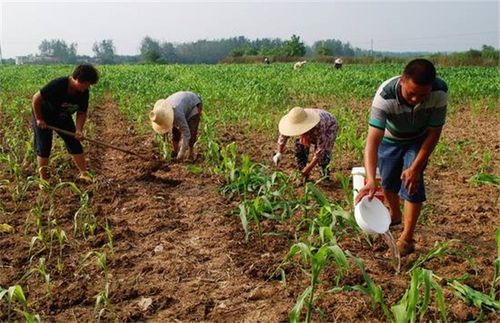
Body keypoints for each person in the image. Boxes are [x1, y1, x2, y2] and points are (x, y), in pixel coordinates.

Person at [354, 58, 448, 256]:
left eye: (423, 95)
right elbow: (372, 142)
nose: (416, 99)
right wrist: (371, 180)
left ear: (431, 87)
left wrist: (415, 168)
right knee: (388, 182)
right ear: (403, 80)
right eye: (411, 93)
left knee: (412, 183)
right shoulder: (385, 96)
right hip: (391, 139)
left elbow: (434, 133)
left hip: (418, 140)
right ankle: (396, 216)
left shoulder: (439, 92)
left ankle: (407, 238)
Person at [32, 64, 99, 182]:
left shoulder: (84, 93)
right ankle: (44, 180)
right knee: (44, 147)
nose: (87, 87)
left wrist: (79, 130)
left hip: (62, 117)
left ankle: (84, 173)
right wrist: (39, 119)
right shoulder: (58, 84)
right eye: (87, 84)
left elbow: (81, 113)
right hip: (44, 116)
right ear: (78, 79)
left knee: (74, 142)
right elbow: (36, 98)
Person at [273, 107, 339, 180]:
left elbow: (321, 149)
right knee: (300, 145)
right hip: (313, 123)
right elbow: (283, 136)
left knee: (324, 154)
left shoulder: (319, 125)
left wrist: (308, 169)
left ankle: (324, 173)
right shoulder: (294, 119)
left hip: (329, 126)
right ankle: (302, 170)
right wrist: (279, 153)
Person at [149, 91, 202, 161]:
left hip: (194, 103)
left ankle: (190, 154)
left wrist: (181, 154)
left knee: (191, 131)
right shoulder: (162, 111)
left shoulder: (177, 115)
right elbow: (165, 131)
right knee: (175, 130)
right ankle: (175, 151)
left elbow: (186, 134)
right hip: (181, 104)